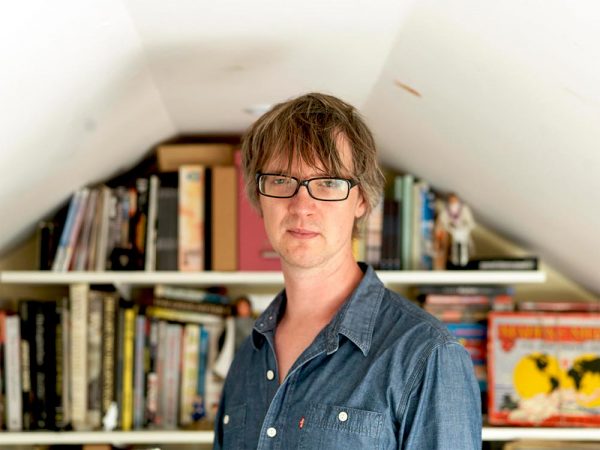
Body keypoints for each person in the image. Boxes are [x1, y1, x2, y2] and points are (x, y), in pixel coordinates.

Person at [213, 93, 481, 449]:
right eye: (280, 180)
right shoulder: (248, 356)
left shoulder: (427, 355)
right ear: (258, 197)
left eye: (328, 182)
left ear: (362, 199)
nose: (301, 205)